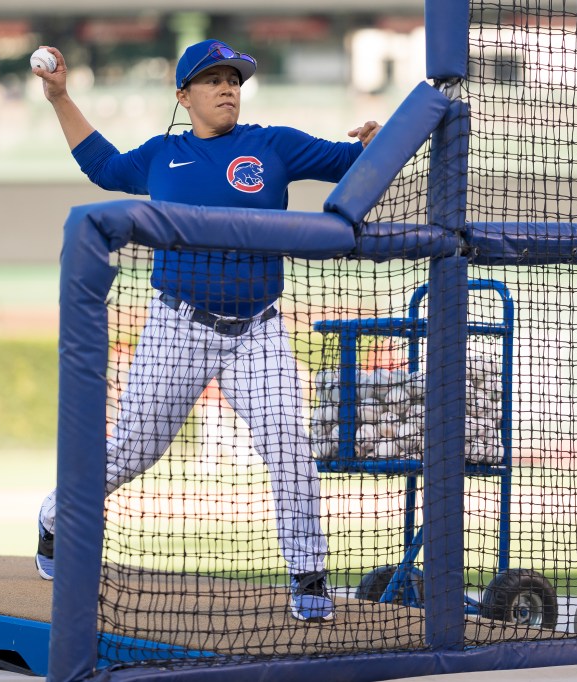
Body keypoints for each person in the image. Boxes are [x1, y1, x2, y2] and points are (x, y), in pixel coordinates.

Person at [31, 39, 381, 623]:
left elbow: (353, 162)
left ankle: (308, 575)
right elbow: (102, 166)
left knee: (290, 449)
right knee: (131, 454)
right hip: (178, 326)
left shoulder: (273, 144)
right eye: (213, 79)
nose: (228, 88)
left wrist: (377, 142)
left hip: (258, 330)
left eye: (235, 79)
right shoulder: (160, 156)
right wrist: (60, 97)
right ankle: (53, 515)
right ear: (183, 95)